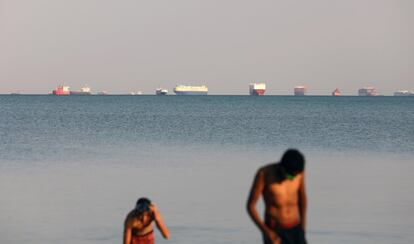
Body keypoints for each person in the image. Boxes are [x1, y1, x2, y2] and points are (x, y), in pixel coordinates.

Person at [247, 149, 307, 244]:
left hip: (296, 229)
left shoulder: (298, 172)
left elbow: (302, 198)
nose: (290, 179)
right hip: (274, 231)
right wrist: (266, 232)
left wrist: (303, 225)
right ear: (281, 167)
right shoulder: (264, 174)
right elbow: (251, 206)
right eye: (289, 176)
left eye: (293, 177)